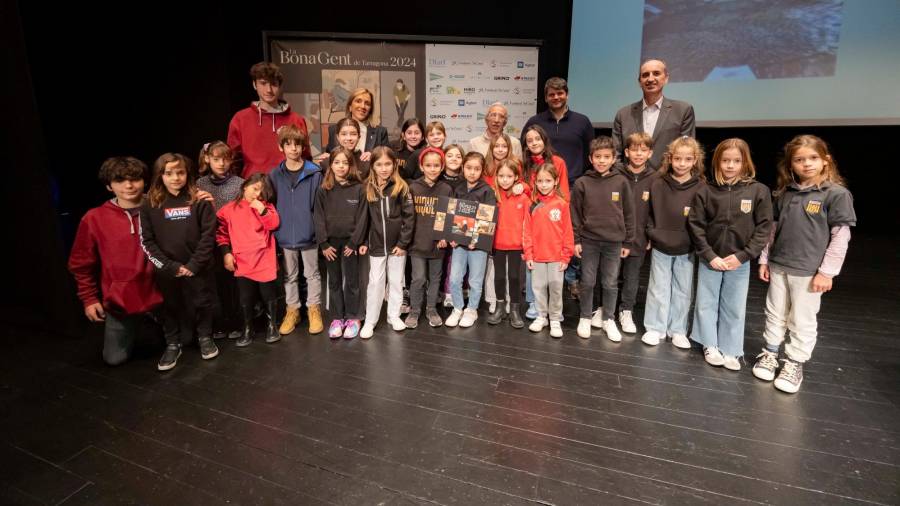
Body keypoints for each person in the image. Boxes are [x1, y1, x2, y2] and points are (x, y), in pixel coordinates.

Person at [754, 135, 856, 393]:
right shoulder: (784, 193)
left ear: (825, 161)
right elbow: (772, 230)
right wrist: (765, 259)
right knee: (775, 312)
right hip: (779, 265)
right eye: (799, 160)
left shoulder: (836, 194)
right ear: (790, 165)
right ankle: (770, 353)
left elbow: (841, 236)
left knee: (802, 318)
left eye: (813, 158)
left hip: (809, 272)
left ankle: (794, 362)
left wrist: (827, 272)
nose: (807, 164)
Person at [68, 156, 163, 366]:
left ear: (144, 181)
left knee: (184, 342)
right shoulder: (94, 218)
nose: (129, 185)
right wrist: (89, 299)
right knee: (114, 359)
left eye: (135, 179)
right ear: (109, 186)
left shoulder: (160, 207)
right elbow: (81, 263)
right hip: (122, 297)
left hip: (162, 292)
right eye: (120, 180)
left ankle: (155, 322)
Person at [688, 138, 773, 371]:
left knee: (734, 305)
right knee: (706, 302)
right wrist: (709, 254)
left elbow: (764, 227)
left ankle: (732, 349)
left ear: (745, 163)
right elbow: (695, 225)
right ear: (718, 162)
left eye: (736, 161)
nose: (730, 166)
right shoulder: (706, 191)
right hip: (711, 258)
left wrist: (744, 255)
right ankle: (709, 343)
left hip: (739, 261)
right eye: (726, 160)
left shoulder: (758, 191)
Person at [139, 153, 217, 371]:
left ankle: (205, 337)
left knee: (203, 303)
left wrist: (193, 265)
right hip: (167, 270)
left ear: (187, 174)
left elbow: (209, 236)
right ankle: (173, 343)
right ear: (160, 175)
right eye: (169, 173)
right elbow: (147, 241)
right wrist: (170, 267)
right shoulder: (149, 203)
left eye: (180, 172)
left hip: (197, 267)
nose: (175, 178)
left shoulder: (199, 199)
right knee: (170, 306)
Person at [641, 136, 706, 348]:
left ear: (695, 160)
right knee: (658, 288)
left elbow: (703, 218)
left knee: (683, 289)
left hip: (686, 247)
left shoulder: (701, 187)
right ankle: (655, 327)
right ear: (670, 159)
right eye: (678, 158)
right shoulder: (658, 183)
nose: (682, 163)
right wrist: (651, 233)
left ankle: (677, 329)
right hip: (661, 244)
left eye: (687, 159)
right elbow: (648, 212)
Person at [570, 136, 634, 341]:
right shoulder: (582, 183)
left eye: (606, 157)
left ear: (614, 158)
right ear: (591, 158)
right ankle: (585, 317)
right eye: (598, 157)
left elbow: (630, 213)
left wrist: (628, 241)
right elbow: (575, 214)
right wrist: (576, 240)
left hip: (614, 242)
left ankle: (608, 318)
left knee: (610, 282)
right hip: (588, 240)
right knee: (587, 281)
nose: (602, 160)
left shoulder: (621, 182)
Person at [269, 125, 324, 336]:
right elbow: (271, 204)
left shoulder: (314, 173)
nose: (293, 148)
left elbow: (318, 207)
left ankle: (313, 309)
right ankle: (292, 310)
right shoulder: (275, 175)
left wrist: (317, 231)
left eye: (298, 144)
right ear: (281, 147)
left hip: (308, 234)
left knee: (312, 274)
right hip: (285, 235)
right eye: (288, 144)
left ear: (303, 147)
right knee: (289, 276)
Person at [355, 147, 415, 339]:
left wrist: (403, 243)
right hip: (376, 245)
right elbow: (364, 218)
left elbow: (409, 218)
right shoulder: (367, 188)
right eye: (379, 164)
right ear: (372, 166)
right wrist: (364, 240)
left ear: (394, 164)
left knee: (397, 282)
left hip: (397, 246)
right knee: (375, 282)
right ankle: (371, 320)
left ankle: (394, 316)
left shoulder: (402, 187)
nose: (384, 168)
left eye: (388, 164)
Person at [216, 174, 281, 346]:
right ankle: (247, 327)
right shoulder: (228, 209)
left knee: (268, 294)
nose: (258, 194)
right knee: (245, 297)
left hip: (264, 258)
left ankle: (271, 325)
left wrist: (262, 210)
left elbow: (274, 224)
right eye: (255, 189)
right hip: (242, 260)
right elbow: (221, 234)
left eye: (262, 191)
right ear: (245, 186)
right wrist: (226, 253)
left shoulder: (266, 206)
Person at [314, 147, 367, 339]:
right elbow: (318, 217)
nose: (341, 166)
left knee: (352, 281)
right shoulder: (323, 189)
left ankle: (353, 318)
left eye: (345, 162)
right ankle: (337, 317)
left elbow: (363, 217)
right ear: (331, 165)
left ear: (351, 165)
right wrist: (323, 244)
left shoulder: (359, 188)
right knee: (334, 281)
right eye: (337, 162)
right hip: (330, 245)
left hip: (350, 244)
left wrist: (354, 242)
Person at [227, 61, 310, 178]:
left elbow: (305, 157)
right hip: (254, 188)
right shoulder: (240, 119)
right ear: (254, 85)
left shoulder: (296, 120)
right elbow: (233, 161)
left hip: (289, 186)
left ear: (280, 86)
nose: (269, 90)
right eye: (263, 83)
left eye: (274, 84)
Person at [612, 59, 696, 171]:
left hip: (668, 182)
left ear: (666, 78)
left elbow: (687, 151)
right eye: (645, 75)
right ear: (639, 82)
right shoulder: (623, 114)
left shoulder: (683, 110)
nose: (650, 79)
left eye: (656, 73)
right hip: (631, 182)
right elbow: (615, 155)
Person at [197, 141, 244, 339]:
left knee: (231, 284)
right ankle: (218, 323)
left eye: (225, 159)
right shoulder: (200, 184)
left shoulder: (239, 183)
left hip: (233, 239)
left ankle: (235, 322)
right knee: (212, 283)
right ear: (207, 159)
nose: (221, 163)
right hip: (209, 240)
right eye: (216, 159)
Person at [445, 152, 496, 328]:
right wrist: (452, 237)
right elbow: (451, 214)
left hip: (478, 246)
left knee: (475, 280)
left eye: (476, 169)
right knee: (454, 278)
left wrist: (478, 239)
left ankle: (472, 309)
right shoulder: (457, 188)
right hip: (459, 243)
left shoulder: (487, 191)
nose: (472, 172)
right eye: (468, 168)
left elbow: (489, 218)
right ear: (463, 168)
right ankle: (458, 308)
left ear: (482, 170)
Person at [525, 162, 575, 339]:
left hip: (556, 257)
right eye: (540, 181)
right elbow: (527, 232)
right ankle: (541, 316)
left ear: (555, 181)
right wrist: (529, 254)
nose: (544, 184)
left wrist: (566, 255)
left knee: (555, 287)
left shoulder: (561, 204)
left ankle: (554, 319)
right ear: (535, 182)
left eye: (548, 180)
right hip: (537, 256)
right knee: (538, 287)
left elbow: (568, 231)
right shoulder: (532, 204)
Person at [406, 147, 453, 329]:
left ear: (442, 167)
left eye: (436, 165)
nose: (432, 169)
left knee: (435, 278)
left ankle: (432, 309)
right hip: (417, 243)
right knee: (418, 278)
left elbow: (448, 215)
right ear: (421, 166)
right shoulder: (413, 187)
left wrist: (444, 236)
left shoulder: (446, 189)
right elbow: (408, 217)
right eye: (428, 165)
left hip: (437, 244)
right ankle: (414, 310)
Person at [616, 132, 657, 335]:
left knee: (632, 277)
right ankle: (603, 308)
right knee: (609, 275)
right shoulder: (615, 173)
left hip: (639, 237)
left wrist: (649, 234)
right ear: (626, 152)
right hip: (613, 236)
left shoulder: (656, 178)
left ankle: (626, 310)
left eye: (643, 150)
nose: (638, 154)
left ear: (650, 153)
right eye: (634, 149)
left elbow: (656, 210)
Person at [522, 77, 594, 184]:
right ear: (546, 98)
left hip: (573, 185)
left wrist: (576, 174)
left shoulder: (582, 121)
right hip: (541, 184)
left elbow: (590, 152)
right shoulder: (534, 122)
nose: (556, 97)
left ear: (567, 95)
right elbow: (525, 150)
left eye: (560, 93)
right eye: (551, 95)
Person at [487, 159, 530, 329]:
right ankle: (499, 307)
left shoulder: (524, 198)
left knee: (514, 277)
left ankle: (514, 309)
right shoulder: (493, 195)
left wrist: (526, 246)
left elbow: (528, 224)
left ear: (516, 177)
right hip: (497, 244)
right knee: (498, 277)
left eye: (509, 176)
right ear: (496, 177)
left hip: (516, 245)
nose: (505, 179)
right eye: (501, 176)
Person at [323, 87, 389, 161]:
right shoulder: (334, 130)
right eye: (358, 101)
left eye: (367, 103)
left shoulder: (380, 132)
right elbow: (330, 157)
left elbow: (388, 159)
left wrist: (374, 156)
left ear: (370, 110)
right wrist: (327, 158)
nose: (363, 106)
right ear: (350, 107)